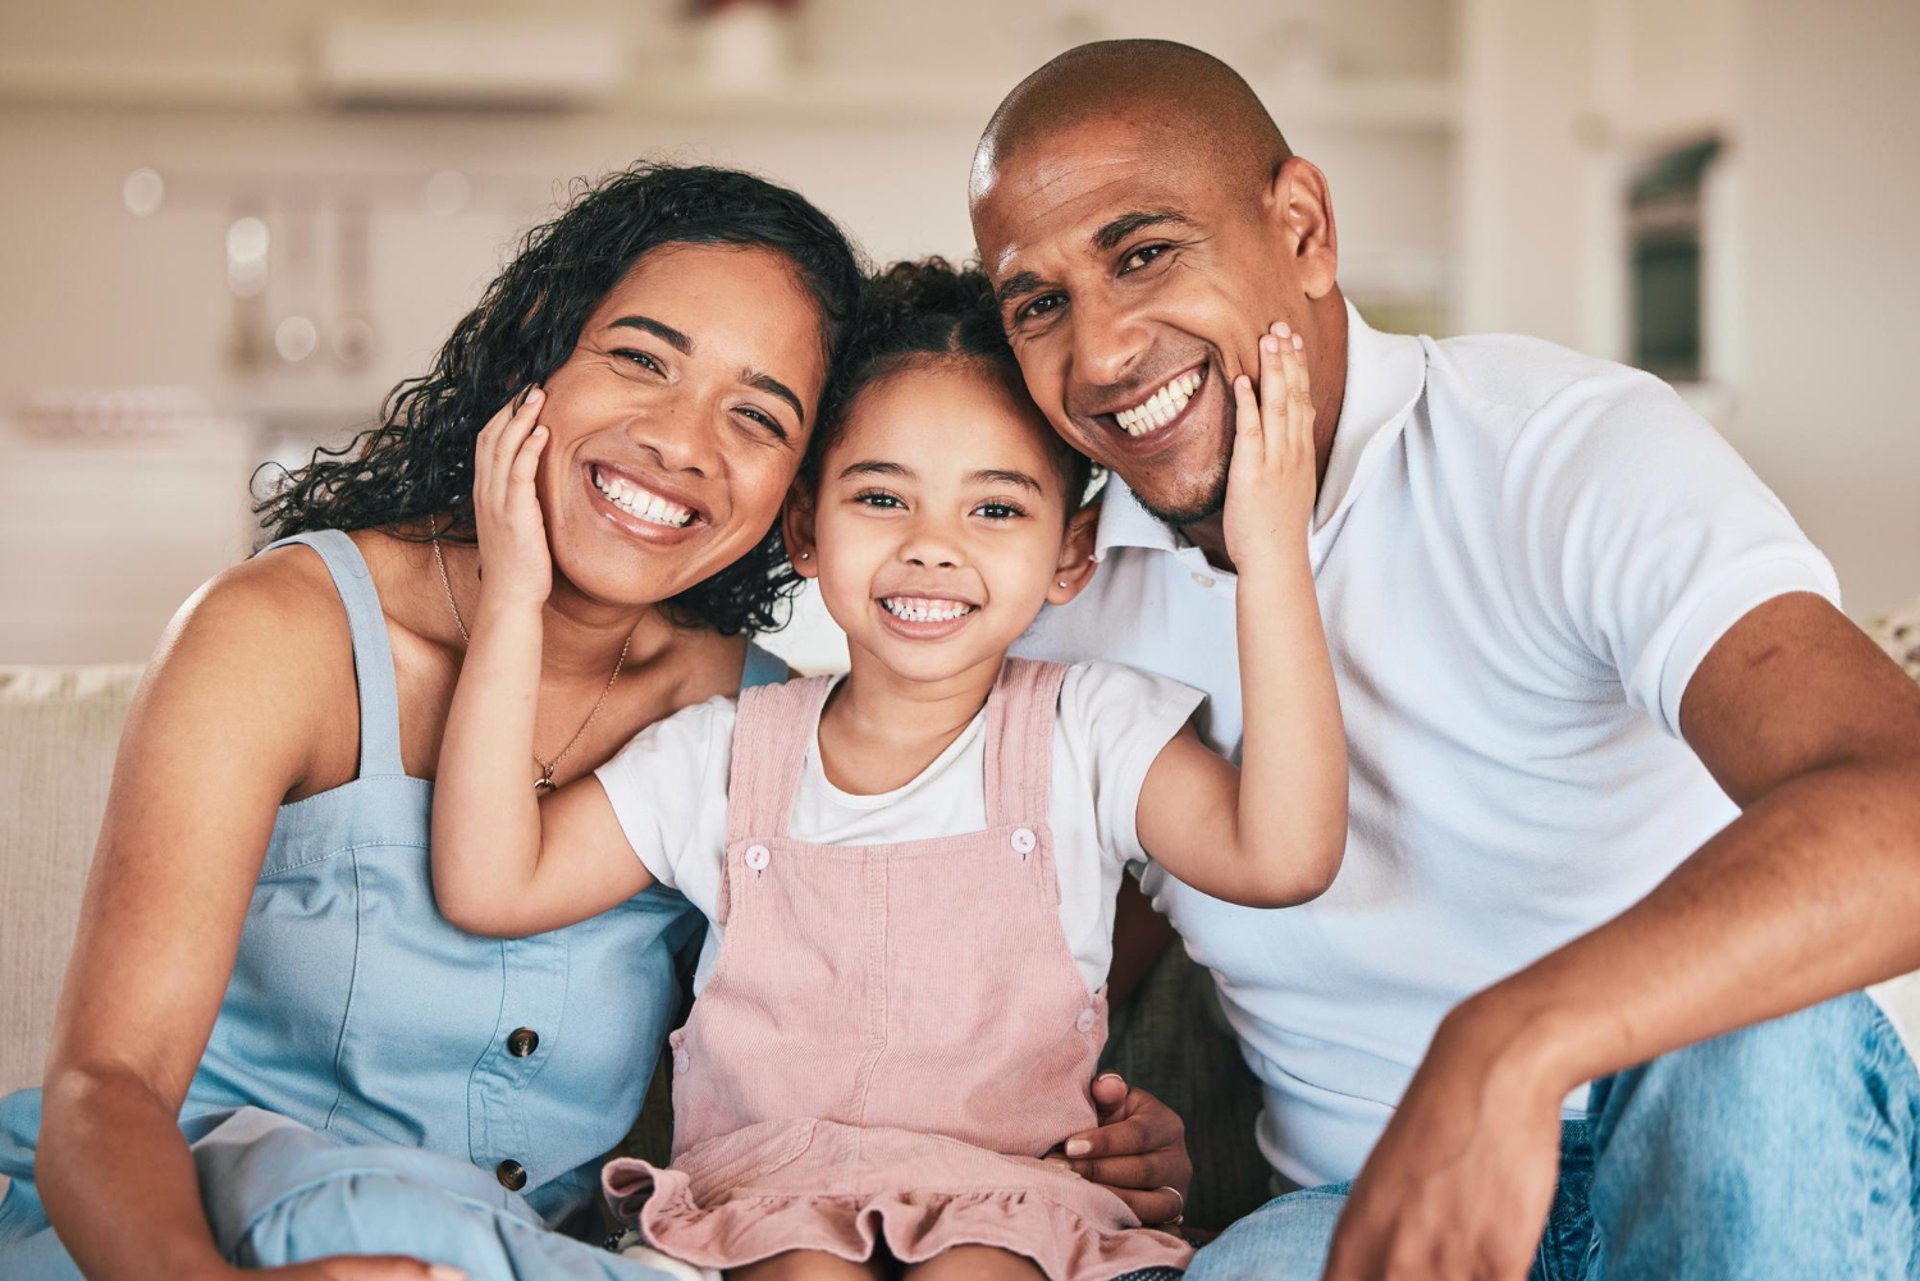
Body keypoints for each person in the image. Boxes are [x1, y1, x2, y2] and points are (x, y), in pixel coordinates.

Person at [0, 166, 1186, 1281]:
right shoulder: (284, 636)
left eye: (760, 417)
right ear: (539, 356)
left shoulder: (754, 724)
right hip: (200, 1231)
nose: (681, 443)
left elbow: (945, 959)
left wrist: (1069, 1128)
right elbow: (107, 1089)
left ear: (799, 497)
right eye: (640, 360)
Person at [970, 39, 1920, 1281]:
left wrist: (1511, 1046)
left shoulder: (1559, 451)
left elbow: (1901, 803)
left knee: (1771, 1037)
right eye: (1038, 302)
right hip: (1361, 1204)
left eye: (1143, 253)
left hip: (1714, 1138)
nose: (1097, 356)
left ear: (1303, 228)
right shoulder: (1057, 602)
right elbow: (1041, 946)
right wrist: (1090, 1122)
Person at [423, 260, 1347, 1281]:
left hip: (1012, 1201)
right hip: (766, 1201)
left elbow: (1285, 855)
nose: (932, 549)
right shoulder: (723, 755)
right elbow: (490, 882)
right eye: (881, 498)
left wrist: (1273, 558)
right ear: (806, 528)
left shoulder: (1089, 731)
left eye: (995, 510)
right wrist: (515, 596)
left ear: (1069, 551)